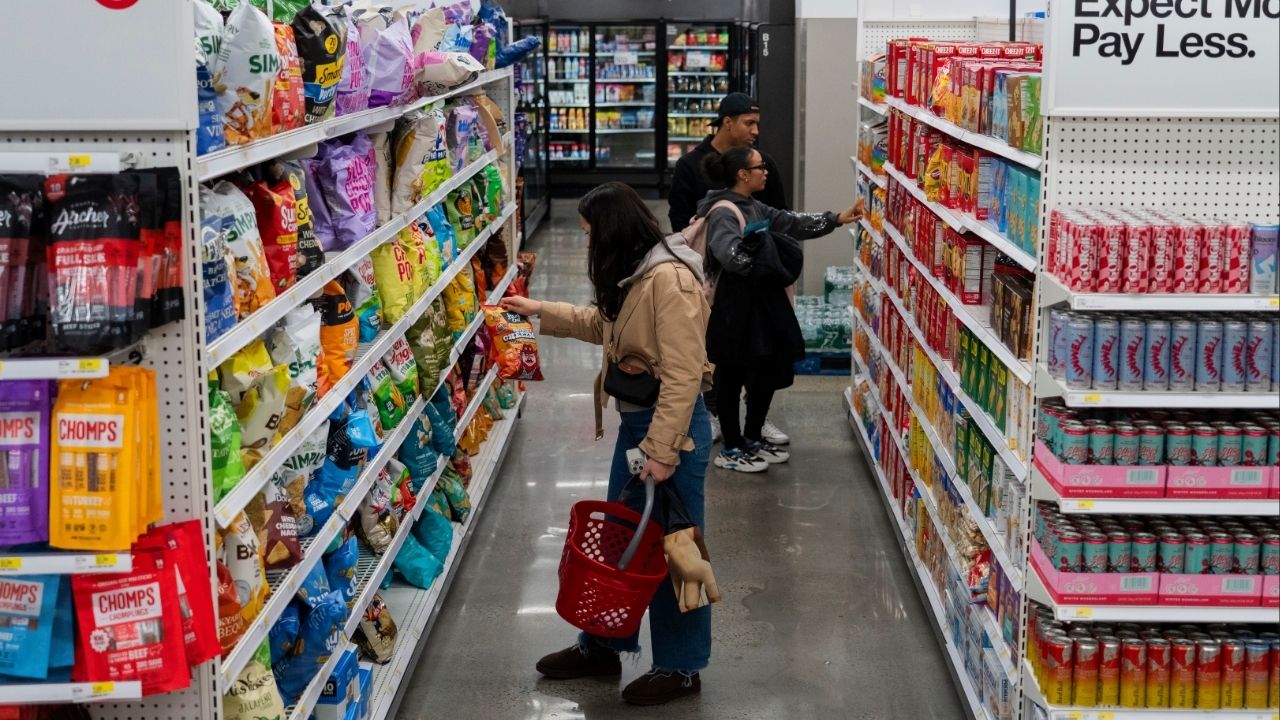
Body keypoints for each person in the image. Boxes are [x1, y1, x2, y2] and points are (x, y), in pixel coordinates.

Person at [501, 182, 715, 706]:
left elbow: (685, 375)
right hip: (638, 430)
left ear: (611, 230)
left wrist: (664, 452)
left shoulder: (669, 280)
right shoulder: (637, 272)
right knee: (622, 541)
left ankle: (682, 667)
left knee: (674, 548)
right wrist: (538, 311)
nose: (588, 241)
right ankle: (603, 643)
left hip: (674, 434)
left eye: (590, 232)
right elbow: (604, 326)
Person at [697, 146, 862, 473]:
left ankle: (752, 437)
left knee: (767, 368)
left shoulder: (755, 206)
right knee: (731, 374)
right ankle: (731, 447)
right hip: (735, 305)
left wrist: (837, 219)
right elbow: (730, 256)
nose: (766, 171)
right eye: (760, 167)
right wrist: (764, 254)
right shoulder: (723, 212)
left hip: (760, 303)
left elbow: (791, 223)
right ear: (743, 175)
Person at [667, 91, 791, 448]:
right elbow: (679, 222)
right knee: (714, 349)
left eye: (757, 124)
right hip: (710, 279)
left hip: (757, 279)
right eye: (748, 123)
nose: (755, 131)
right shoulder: (691, 166)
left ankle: (756, 418)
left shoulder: (762, 163)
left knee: (760, 349)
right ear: (727, 122)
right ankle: (714, 414)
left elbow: (780, 214)